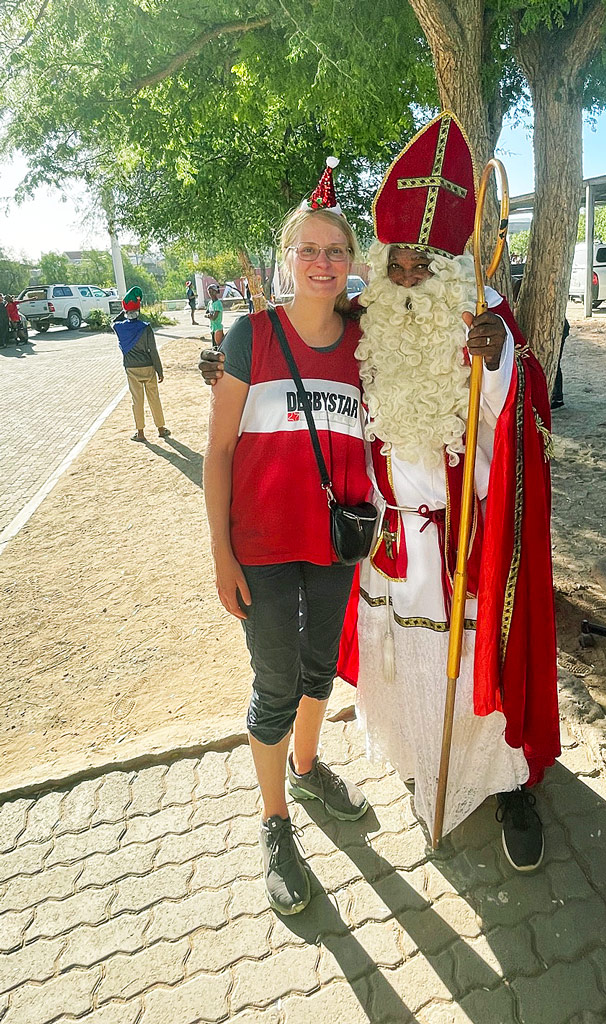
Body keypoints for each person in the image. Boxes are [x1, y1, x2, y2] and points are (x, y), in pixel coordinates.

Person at [200, 113, 559, 871]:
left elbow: (523, 410)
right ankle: (416, 770)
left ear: (451, 263)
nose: (409, 275)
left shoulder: (483, 318)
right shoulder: (369, 325)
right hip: (379, 541)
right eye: (397, 261)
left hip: (465, 542)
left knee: (470, 663)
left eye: (425, 262)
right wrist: (230, 371)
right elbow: (265, 398)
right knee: (385, 671)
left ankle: (502, 782)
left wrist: (495, 361)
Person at [203, 161, 372, 917]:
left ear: (351, 263)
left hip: (333, 541)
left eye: (334, 251)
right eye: (308, 250)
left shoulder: (370, 342)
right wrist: (220, 552)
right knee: (274, 687)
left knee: (318, 668)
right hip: (263, 547)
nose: (321, 262)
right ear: (288, 259)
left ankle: (308, 767)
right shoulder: (252, 335)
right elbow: (217, 451)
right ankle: (275, 823)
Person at [112, 286, 171, 442]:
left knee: (137, 400)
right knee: (154, 398)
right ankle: (161, 428)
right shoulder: (146, 328)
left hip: (131, 369)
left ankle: (141, 433)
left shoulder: (119, 328)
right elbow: (153, 350)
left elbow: (113, 321)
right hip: (148, 367)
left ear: (125, 312)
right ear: (138, 311)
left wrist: (126, 308)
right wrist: (159, 370)